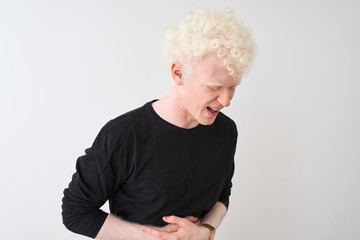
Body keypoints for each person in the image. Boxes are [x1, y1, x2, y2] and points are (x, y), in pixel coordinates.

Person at [62, 8, 255, 240]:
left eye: (233, 86)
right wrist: (154, 237)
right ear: (178, 74)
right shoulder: (123, 135)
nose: (226, 100)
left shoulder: (226, 130)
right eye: (214, 87)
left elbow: (223, 194)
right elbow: (76, 212)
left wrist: (205, 232)